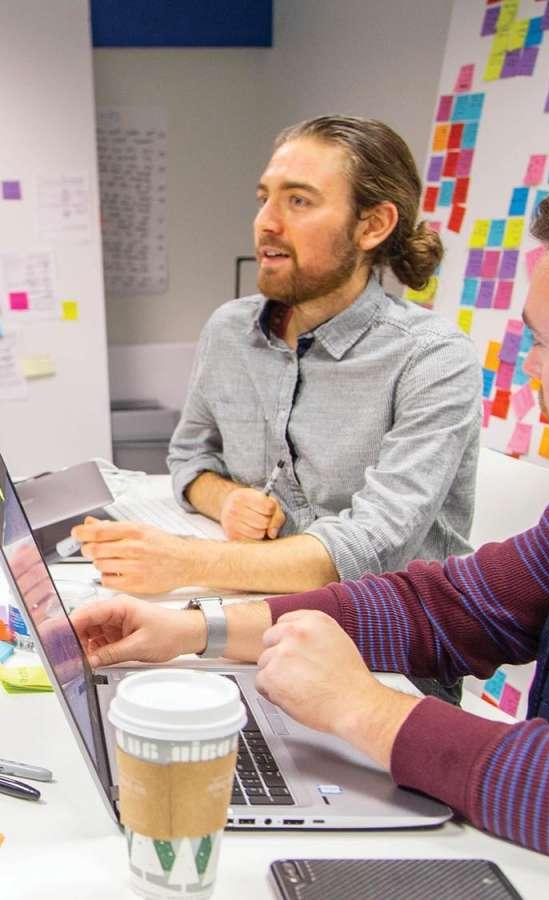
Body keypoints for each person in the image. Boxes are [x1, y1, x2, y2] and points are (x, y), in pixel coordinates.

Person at [70, 158, 549, 898]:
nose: (528, 367)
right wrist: (193, 629)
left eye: (540, 342)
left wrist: (364, 709)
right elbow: (451, 606)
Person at [75, 116, 479, 597]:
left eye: (299, 201)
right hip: (259, 607)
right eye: (265, 197)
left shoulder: (432, 357)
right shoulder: (230, 331)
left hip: (386, 644)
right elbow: (190, 457)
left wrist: (186, 560)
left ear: (372, 226)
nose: (266, 222)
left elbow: (372, 547)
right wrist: (225, 499)